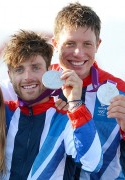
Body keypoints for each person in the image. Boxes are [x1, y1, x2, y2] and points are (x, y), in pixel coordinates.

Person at [2, 29, 102, 179]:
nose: (28, 77)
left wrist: (75, 104)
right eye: (19, 69)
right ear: (10, 75)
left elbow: (92, 163)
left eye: (35, 68)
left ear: (49, 70)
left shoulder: (65, 117)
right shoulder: (1, 113)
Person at [49, 3, 125, 179]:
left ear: (98, 45)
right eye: (70, 43)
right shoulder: (39, 87)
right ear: (55, 44)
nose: (78, 52)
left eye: (87, 44)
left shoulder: (119, 90)